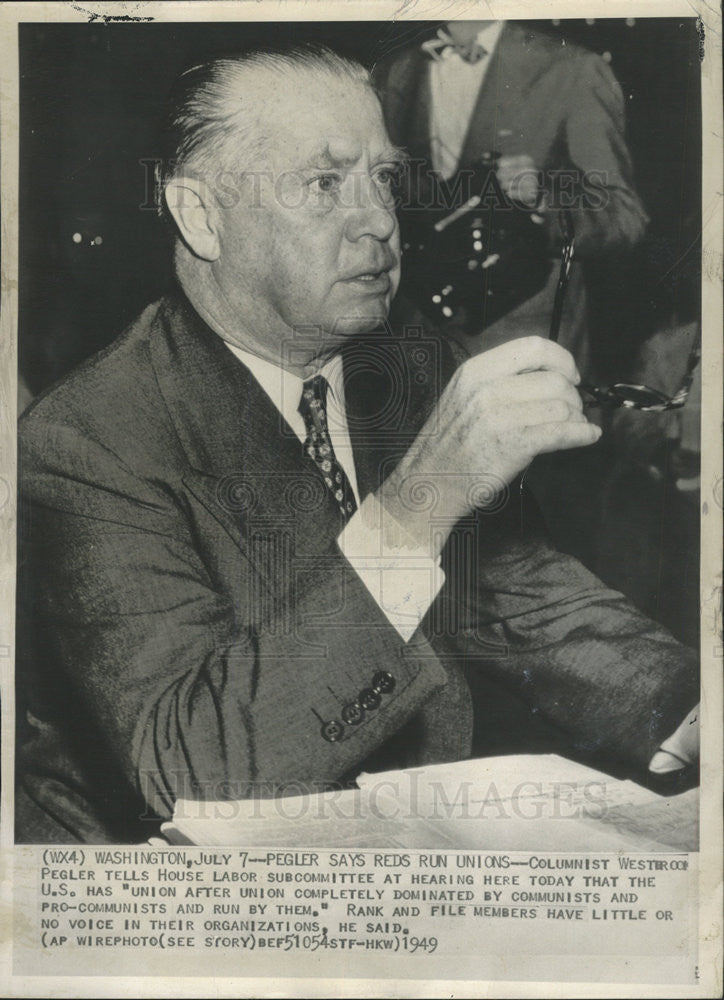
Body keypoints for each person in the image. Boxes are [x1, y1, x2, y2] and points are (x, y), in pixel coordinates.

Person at [16, 46, 698, 845]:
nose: (380, 219)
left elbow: (525, 597)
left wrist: (691, 706)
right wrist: (421, 503)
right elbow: (192, 770)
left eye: (383, 178)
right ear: (201, 217)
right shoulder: (88, 439)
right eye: (324, 183)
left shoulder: (406, 364)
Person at [374, 20, 649, 371]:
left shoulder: (573, 68)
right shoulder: (395, 71)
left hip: (522, 344)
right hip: (415, 345)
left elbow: (624, 215)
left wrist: (542, 199)